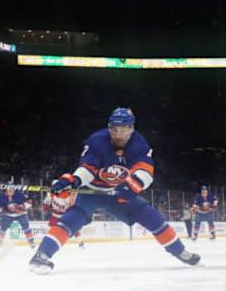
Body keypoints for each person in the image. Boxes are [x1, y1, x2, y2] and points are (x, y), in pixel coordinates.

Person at [29, 107, 200, 274]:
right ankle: (41, 255)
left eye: (123, 129)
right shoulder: (97, 140)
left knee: (153, 218)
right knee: (72, 219)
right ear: (109, 127)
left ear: (131, 129)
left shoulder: (140, 144)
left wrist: (132, 185)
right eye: (115, 129)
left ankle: (180, 252)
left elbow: (145, 171)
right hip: (92, 191)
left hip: (119, 193)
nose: (119, 135)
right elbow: (89, 168)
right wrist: (75, 180)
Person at [42, 182, 84, 249]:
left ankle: (80, 242)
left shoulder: (67, 196)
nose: (55, 189)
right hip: (55, 214)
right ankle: (51, 242)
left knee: (73, 229)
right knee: (51, 227)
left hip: (65, 215)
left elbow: (71, 206)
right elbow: (47, 201)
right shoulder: (51, 194)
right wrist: (45, 206)